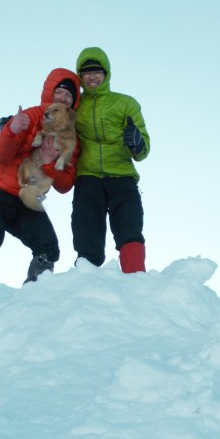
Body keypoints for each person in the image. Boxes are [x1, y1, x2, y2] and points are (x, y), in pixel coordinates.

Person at [0, 68, 81, 303]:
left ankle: (32, 300)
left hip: (27, 200)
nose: (63, 98)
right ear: (50, 93)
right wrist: (11, 130)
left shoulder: (70, 138)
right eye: (59, 92)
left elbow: (65, 184)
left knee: (48, 247)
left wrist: (47, 164)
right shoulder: (31, 116)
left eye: (69, 96)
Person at [72, 46, 151, 273]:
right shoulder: (75, 106)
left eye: (97, 71)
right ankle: (87, 280)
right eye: (87, 73)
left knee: (129, 228)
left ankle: (135, 278)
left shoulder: (126, 103)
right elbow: (49, 118)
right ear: (80, 76)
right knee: (86, 230)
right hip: (87, 176)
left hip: (122, 176)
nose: (92, 77)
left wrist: (137, 143)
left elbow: (144, 148)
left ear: (106, 73)